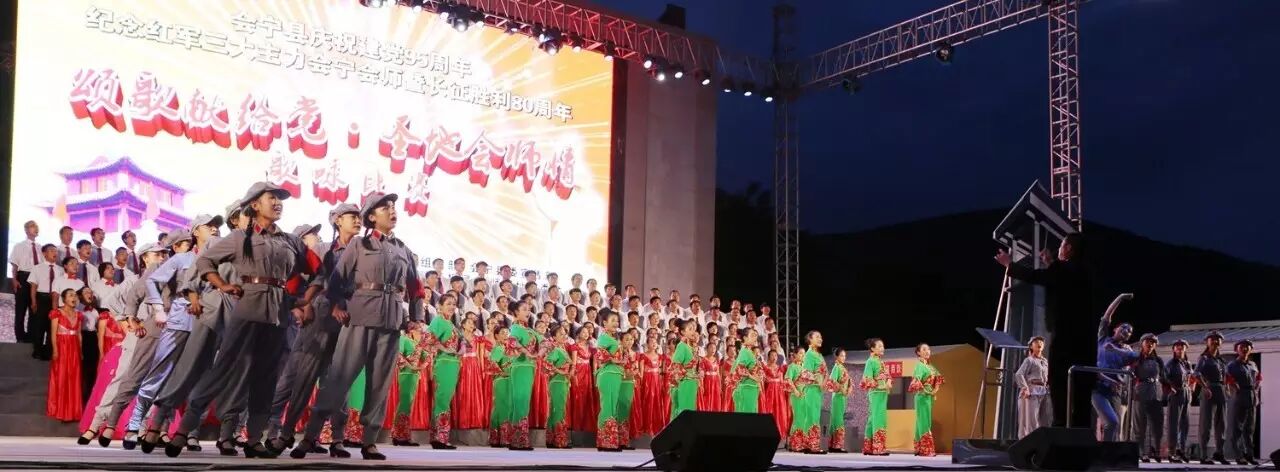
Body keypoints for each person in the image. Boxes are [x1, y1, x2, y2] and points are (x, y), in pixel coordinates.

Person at [167, 182, 319, 459]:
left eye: (280, 199)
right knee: (224, 369)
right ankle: (184, 429)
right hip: (248, 308)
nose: (278, 203)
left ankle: (254, 439)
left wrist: (304, 299)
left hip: (278, 314)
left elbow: (318, 271)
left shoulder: (291, 241)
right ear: (255, 205)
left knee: (267, 377)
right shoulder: (239, 238)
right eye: (272, 198)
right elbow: (205, 262)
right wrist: (222, 285)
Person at [292, 192, 423, 461]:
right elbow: (337, 280)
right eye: (385, 208)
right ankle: (310, 436)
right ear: (371, 217)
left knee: (379, 384)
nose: (392, 211)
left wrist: (416, 317)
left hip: (391, 322)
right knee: (338, 379)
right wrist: (337, 306)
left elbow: (416, 287)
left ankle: (369, 441)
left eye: (393, 207)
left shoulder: (403, 249)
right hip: (360, 317)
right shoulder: (359, 244)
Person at [265, 203, 360, 457]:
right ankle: (281, 432)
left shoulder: (364, 249)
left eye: (359, 217)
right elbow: (299, 279)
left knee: (338, 381)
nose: (358, 220)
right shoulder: (321, 249)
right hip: (319, 316)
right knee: (300, 377)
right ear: (337, 220)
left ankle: (336, 439)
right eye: (352, 216)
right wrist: (302, 306)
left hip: (349, 319)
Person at [994, 233, 1093, 428]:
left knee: (1059, 381)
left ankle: (1061, 428)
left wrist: (1010, 265)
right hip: (1085, 340)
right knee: (1081, 387)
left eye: (1062, 245)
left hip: (1066, 336)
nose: (1058, 250)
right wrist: (1051, 263)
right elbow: (1059, 280)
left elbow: (1038, 276)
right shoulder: (1086, 271)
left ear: (1069, 248)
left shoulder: (1065, 269)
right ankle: (1081, 432)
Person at [1093, 293, 1138, 443]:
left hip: (1115, 392)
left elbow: (1134, 357)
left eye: (1130, 332)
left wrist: (1116, 350)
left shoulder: (1127, 350)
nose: (1127, 332)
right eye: (1124, 328)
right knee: (1110, 422)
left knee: (1114, 426)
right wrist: (1120, 297)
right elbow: (1107, 316)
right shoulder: (1103, 339)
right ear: (1116, 329)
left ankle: (1107, 452)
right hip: (1098, 388)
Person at [507, 300, 540, 451]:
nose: (528, 312)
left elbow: (546, 342)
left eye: (529, 309)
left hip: (529, 367)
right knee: (520, 400)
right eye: (524, 309)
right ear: (516, 312)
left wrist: (538, 353)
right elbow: (512, 342)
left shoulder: (530, 330)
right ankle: (518, 440)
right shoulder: (515, 327)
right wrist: (527, 352)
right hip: (520, 367)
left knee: (523, 401)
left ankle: (517, 439)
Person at [47, 289, 84, 421]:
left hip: (74, 348)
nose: (74, 298)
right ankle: (61, 410)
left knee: (74, 377)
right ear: (64, 299)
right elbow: (53, 334)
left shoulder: (79, 315)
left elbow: (79, 334)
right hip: (62, 347)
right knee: (62, 376)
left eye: (75, 296)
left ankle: (73, 411)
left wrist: (80, 351)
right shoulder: (57, 313)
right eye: (70, 295)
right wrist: (55, 350)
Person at [391, 324, 430, 447]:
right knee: (404, 402)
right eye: (419, 331)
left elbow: (427, 357)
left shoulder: (418, 344)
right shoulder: (404, 339)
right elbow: (398, 354)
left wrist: (421, 367)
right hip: (406, 374)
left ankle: (402, 435)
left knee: (408, 404)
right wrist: (411, 366)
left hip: (414, 375)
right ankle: (399, 435)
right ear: (411, 331)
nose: (421, 334)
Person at [1194, 331, 1228, 464]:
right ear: (1207, 342)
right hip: (1209, 389)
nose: (1215, 341)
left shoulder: (1221, 360)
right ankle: (1203, 455)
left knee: (1222, 424)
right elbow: (1196, 374)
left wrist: (1227, 388)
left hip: (1221, 390)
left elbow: (1224, 376)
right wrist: (1205, 387)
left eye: (1218, 339)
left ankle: (1219, 453)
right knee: (1206, 424)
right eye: (1212, 339)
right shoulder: (1203, 358)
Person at [1225, 340, 1261, 466]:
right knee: (1237, 428)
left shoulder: (1253, 364)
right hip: (1239, 395)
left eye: (1247, 347)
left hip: (1252, 396)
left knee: (1250, 429)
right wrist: (1233, 385)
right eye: (1242, 347)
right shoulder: (1232, 365)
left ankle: (1249, 455)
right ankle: (1239, 456)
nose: (1245, 349)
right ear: (1236, 350)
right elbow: (1226, 377)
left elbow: (1258, 378)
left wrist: (1256, 390)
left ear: (1251, 349)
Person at [1132, 333, 1167, 463]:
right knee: (1140, 426)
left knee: (1157, 425)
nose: (1150, 344)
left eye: (1153, 342)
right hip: (1140, 393)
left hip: (1156, 393)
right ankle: (1141, 453)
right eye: (1147, 341)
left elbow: (1164, 377)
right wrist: (1132, 391)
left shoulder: (1158, 360)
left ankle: (1157, 452)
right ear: (1142, 343)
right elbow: (1130, 377)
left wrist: (1166, 392)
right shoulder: (1136, 359)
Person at [593, 310, 624, 451]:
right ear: (604, 323)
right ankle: (606, 442)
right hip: (608, 374)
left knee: (612, 405)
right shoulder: (603, 337)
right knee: (608, 405)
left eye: (617, 320)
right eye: (613, 320)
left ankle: (609, 441)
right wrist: (614, 359)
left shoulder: (611, 338)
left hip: (615, 374)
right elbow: (600, 356)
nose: (616, 323)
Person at [909, 343, 944, 456]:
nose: (927, 351)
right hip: (922, 396)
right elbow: (916, 381)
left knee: (921, 420)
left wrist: (935, 390)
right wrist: (925, 390)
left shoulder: (930, 367)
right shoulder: (919, 366)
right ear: (918, 353)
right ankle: (926, 449)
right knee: (924, 421)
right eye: (924, 349)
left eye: (928, 349)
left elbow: (939, 378)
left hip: (929, 396)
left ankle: (918, 447)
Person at [452, 316, 486, 430]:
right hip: (462, 364)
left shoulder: (478, 339)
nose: (472, 325)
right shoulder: (458, 338)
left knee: (474, 390)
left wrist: (482, 370)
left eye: (473, 323)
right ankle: (463, 420)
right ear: (463, 325)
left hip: (474, 365)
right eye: (469, 323)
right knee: (463, 391)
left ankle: (475, 420)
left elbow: (481, 355)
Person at [1015, 336, 1052, 438]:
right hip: (1032, 391)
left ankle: (1041, 441)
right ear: (1031, 346)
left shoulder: (1045, 361)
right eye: (1036, 342)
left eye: (1041, 342)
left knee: (1043, 420)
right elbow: (1019, 374)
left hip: (1043, 391)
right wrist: (1025, 388)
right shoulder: (1029, 360)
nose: (1039, 343)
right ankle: (1030, 442)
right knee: (1031, 420)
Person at [28, 244, 61, 360]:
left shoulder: (61, 270)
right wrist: (33, 301)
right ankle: (37, 350)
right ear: (44, 253)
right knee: (39, 326)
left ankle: (48, 351)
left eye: (56, 251)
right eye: (51, 251)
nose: (54, 253)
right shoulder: (37, 268)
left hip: (55, 299)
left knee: (52, 326)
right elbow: (33, 286)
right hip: (41, 298)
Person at [10, 220, 40, 345]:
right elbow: (15, 265)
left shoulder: (40, 247)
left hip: (36, 279)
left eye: (36, 227)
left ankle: (31, 337)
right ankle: (20, 337)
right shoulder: (19, 246)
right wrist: (14, 279)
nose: (36, 229)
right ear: (26, 230)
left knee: (34, 309)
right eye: (33, 227)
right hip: (23, 277)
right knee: (21, 309)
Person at [1164, 339, 1193, 463]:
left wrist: (1191, 388)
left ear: (1185, 349)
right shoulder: (1171, 364)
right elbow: (1163, 377)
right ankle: (1172, 452)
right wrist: (1170, 387)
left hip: (1186, 393)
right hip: (1176, 393)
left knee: (1185, 424)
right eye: (1178, 347)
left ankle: (1182, 450)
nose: (1180, 349)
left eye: (1182, 347)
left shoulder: (1187, 363)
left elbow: (1190, 376)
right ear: (1174, 349)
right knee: (1174, 424)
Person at [859, 337, 889, 456]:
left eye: (883, 346)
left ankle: (868, 447)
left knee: (873, 418)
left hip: (882, 393)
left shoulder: (880, 362)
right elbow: (867, 379)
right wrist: (880, 385)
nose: (882, 348)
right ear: (872, 348)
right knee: (878, 418)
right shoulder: (870, 361)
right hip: (876, 392)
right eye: (879, 346)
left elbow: (888, 376)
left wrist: (888, 382)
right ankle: (878, 447)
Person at [545, 323, 572, 448]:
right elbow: (547, 363)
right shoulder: (555, 349)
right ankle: (559, 440)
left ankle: (552, 439)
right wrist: (559, 371)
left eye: (564, 333)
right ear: (554, 337)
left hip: (562, 381)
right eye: (560, 334)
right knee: (558, 409)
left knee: (556, 408)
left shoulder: (563, 348)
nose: (564, 335)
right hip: (557, 382)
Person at [668, 319, 700, 422]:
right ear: (682, 332)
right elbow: (675, 366)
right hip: (685, 382)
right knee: (684, 408)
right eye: (690, 329)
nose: (693, 331)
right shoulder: (681, 346)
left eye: (693, 329)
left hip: (692, 382)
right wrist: (687, 372)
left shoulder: (691, 346)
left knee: (690, 408)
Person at [568, 325, 598, 434]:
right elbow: (574, 363)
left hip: (588, 373)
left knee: (587, 397)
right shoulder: (575, 346)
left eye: (587, 332)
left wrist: (595, 376)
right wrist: (573, 375)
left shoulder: (591, 348)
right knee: (578, 396)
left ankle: (586, 425)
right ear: (578, 334)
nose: (586, 334)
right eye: (583, 332)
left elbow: (595, 364)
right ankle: (577, 425)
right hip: (578, 372)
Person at [488, 325, 513, 447]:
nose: (506, 335)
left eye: (507, 333)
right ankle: (504, 438)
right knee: (503, 407)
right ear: (496, 336)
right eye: (503, 333)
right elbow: (492, 363)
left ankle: (496, 438)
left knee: (501, 408)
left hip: (508, 381)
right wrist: (502, 373)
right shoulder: (498, 349)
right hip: (502, 381)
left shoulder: (507, 349)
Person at [822, 347, 850, 453]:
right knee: (838, 420)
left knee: (836, 420)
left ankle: (833, 445)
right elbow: (832, 381)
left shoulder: (842, 368)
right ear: (837, 357)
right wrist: (841, 389)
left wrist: (848, 389)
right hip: (838, 397)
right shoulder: (836, 367)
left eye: (844, 355)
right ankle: (837, 445)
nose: (844, 357)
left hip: (842, 397)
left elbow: (849, 382)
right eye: (841, 355)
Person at [615, 331, 639, 450]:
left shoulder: (634, 354)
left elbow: (637, 368)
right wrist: (626, 373)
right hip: (620, 382)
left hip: (630, 383)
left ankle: (624, 440)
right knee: (619, 408)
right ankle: (616, 440)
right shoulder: (618, 352)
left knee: (626, 410)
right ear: (621, 341)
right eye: (627, 339)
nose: (630, 342)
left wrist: (633, 373)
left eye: (631, 339)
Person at [732, 328, 764, 414]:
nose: (755, 337)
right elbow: (739, 369)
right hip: (746, 389)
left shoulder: (749, 351)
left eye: (755, 335)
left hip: (751, 388)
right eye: (752, 335)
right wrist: (754, 377)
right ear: (745, 338)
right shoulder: (744, 352)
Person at [762, 349, 791, 440]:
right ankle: (768, 431)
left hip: (779, 392)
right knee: (770, 410)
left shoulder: (780, 368)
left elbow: (782, 381)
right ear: (768, 357)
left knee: (779, 410)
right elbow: (763, 381)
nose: (774, 357)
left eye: (775, 355)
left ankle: (779, 431)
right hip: (769, 393)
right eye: (772, 355)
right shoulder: (765, 368)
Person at [785, 346, 806, 452]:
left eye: (804, 353)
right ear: (796, 355)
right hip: (796, 396)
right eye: (801, 353)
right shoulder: (792, 366)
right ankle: (795, 444)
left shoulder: (804, 367)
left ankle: (801, 443)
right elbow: (788, 379)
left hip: (804, 396)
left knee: (803, 418)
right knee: (797, 418)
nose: (803, 355)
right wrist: (795, 391)